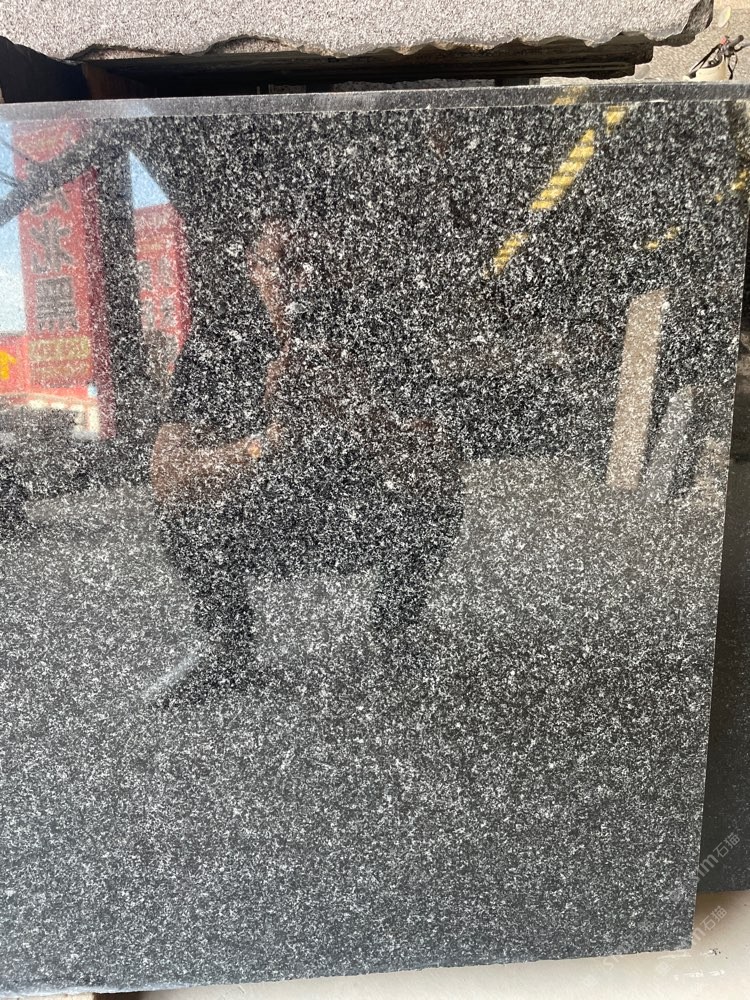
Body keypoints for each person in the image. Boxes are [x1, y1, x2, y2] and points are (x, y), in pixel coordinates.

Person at [148, 216, 463, 705]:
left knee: (438, 501)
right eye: (285, 263)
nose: (304, 279)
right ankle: (228, 648)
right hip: (263, 518)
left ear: (341, 267)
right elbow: (166, 475)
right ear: (254, 269)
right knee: (178, 516)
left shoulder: (383, 330)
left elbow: (443, 462)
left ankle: (398, 622)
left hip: (367, 515)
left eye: (317, 262)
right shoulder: (219, 342)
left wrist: (359, 411)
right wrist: (264, 443)